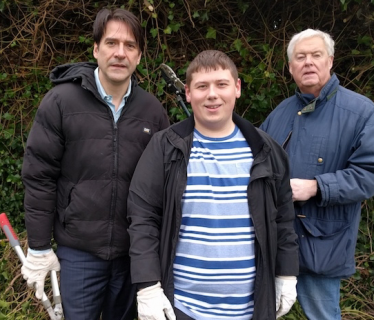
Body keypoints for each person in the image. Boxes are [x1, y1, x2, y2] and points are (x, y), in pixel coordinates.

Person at [21, 7, 169, 320]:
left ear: (139, 56)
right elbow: (40, 176)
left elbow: (161, 186)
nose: (120, 53)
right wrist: (38, 246)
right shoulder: (61, 102)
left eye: (130, 46)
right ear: (95, 49)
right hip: (79, 251)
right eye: (111, 43)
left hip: (132, 254)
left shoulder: (152, 111)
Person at [127, 50, 299, 320]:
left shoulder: (266, 151)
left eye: (221, 84)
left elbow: (284, 219)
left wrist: (286, 273)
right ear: (187, 93)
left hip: (250, 309)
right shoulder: (165, 147)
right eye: (202, 86)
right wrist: (147, 286)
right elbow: (143, 218)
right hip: (180, 308)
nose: (212, 94)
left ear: (237, 88)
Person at [260, 29, 374, 320]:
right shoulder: (280, 113)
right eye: (300, 57)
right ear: (290, 67)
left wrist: (316, 187)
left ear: (330, 61)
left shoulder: (362, 112)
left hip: (323, 246)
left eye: (316, 55)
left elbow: (368, 175)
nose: (308, 62)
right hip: (275, 244)